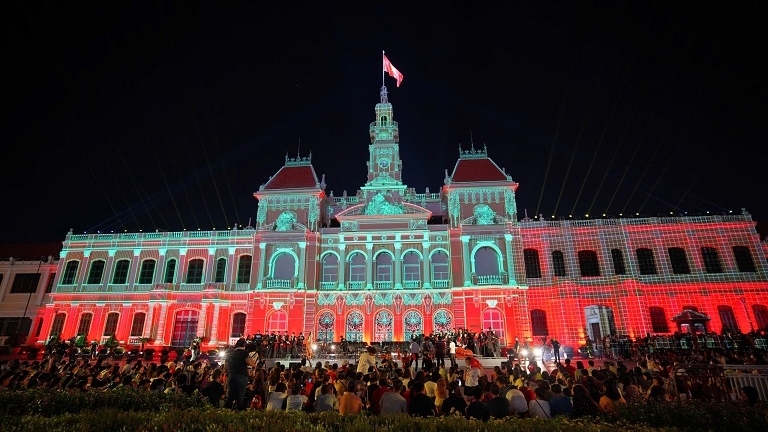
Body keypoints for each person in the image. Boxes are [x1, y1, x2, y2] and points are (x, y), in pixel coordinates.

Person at [224, 337, 257, 410]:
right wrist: (253, 366)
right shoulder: (244, 353)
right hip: (241, 376)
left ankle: (225, 411)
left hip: (231, 375)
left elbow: (225, 367)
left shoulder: (230, 353)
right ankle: (240, 412)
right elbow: (250, 363)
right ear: (244, 345)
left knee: (230, 396)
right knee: (240, 397)